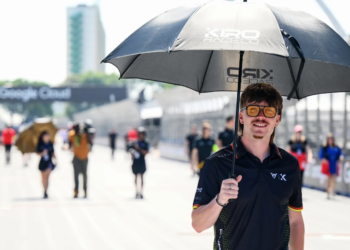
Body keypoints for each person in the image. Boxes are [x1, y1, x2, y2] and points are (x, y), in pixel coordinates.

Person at [192, 83, 304, 250]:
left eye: (269, 111)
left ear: (277, 120)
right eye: (253, 110)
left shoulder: (289, 164)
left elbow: (295, 221)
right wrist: (219, 200)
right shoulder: (217, 163)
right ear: (242, 117)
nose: (261, 117)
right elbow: (197, 224)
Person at [69, 122, 92, 198]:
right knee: (76, 175)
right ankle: (76, 191)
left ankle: (85, 191)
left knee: (85, 175)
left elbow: (91, 143)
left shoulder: (85, 135)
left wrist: (86, 133)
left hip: (85, 157)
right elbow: (70, 144)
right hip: (76, 157)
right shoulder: (72, 135)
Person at [319, 133, 343, 199]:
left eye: (331, 139)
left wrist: (341, 158)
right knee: (328, 178)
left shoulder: (336, 147)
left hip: (334, 164)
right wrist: (324, 160)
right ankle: (327, 192)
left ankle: (331, 190)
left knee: (334, 179)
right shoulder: (325, 148)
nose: (330, 140)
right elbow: (321, 156)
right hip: (328, 165)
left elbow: (340, 154)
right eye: (329, 139)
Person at [130, 127, 149, 199]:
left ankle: (141, 191)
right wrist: (133, 153)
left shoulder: (145, 143)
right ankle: (136, 191)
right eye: (140, 134)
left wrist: (139, 149)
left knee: (142, 177)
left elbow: (146, 152)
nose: (141, 135)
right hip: (135, 162)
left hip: (142, 162)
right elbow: (130, 151)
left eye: (142, 134)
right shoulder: (134, 142)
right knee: (135, 177)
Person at [36, 131, 56, 199]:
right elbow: (37, 152)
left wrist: (56, 160)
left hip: (49, 162)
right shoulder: (40, 143)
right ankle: (44, 190)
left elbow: (53, 152)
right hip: (42, 162)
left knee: (47, 177)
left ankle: (46, 191)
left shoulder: (50, 143)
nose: (47, 137)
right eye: (46, 135)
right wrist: (42, 153)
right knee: (43, 178)